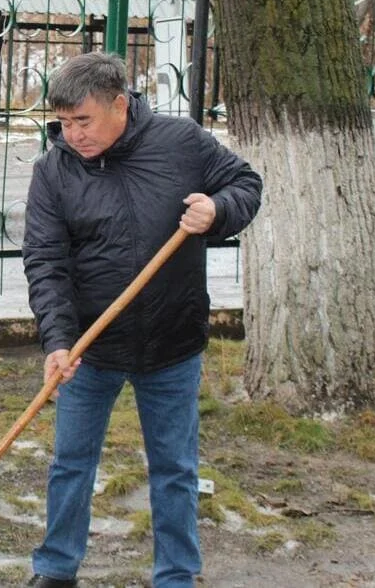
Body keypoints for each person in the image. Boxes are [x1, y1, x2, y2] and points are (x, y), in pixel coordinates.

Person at [22, 52, 262, 588]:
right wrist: (58, 342)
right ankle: (57, 568)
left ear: (120, 105)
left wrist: (218, 212)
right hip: (92, 346)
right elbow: (45, 261)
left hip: (172, 342)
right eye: (63, 122)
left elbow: (245, 184)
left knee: (175, 468)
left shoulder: (182, 143)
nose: (73, 134)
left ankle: (176, 575)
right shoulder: (53, 171)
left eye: (83, 120)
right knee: (70, 463)